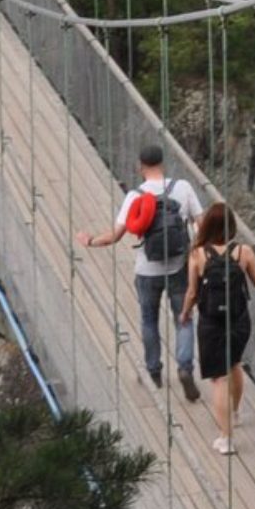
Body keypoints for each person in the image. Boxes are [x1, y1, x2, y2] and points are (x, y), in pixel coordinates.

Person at [74, 144, 204, 400]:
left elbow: (115, 236)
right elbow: (202, 225)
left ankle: (154, 371)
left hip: (147, 270)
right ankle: (185, 368)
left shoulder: (135, 196)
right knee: (184, 318)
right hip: (179, 266)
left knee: (149, 320)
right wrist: (196, 252)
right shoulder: (183, 187)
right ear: (163, 163)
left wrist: (90, 241)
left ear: (140, 167)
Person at [179, 201, 255, 454]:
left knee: (219, 378)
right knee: (235, 363)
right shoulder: (243, 252)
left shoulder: (197, 254)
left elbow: (192, 292)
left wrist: (185, 312)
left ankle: (226, 439)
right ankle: (235, 413)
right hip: (238, 321)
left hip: (211, 322)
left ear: (207, 226)